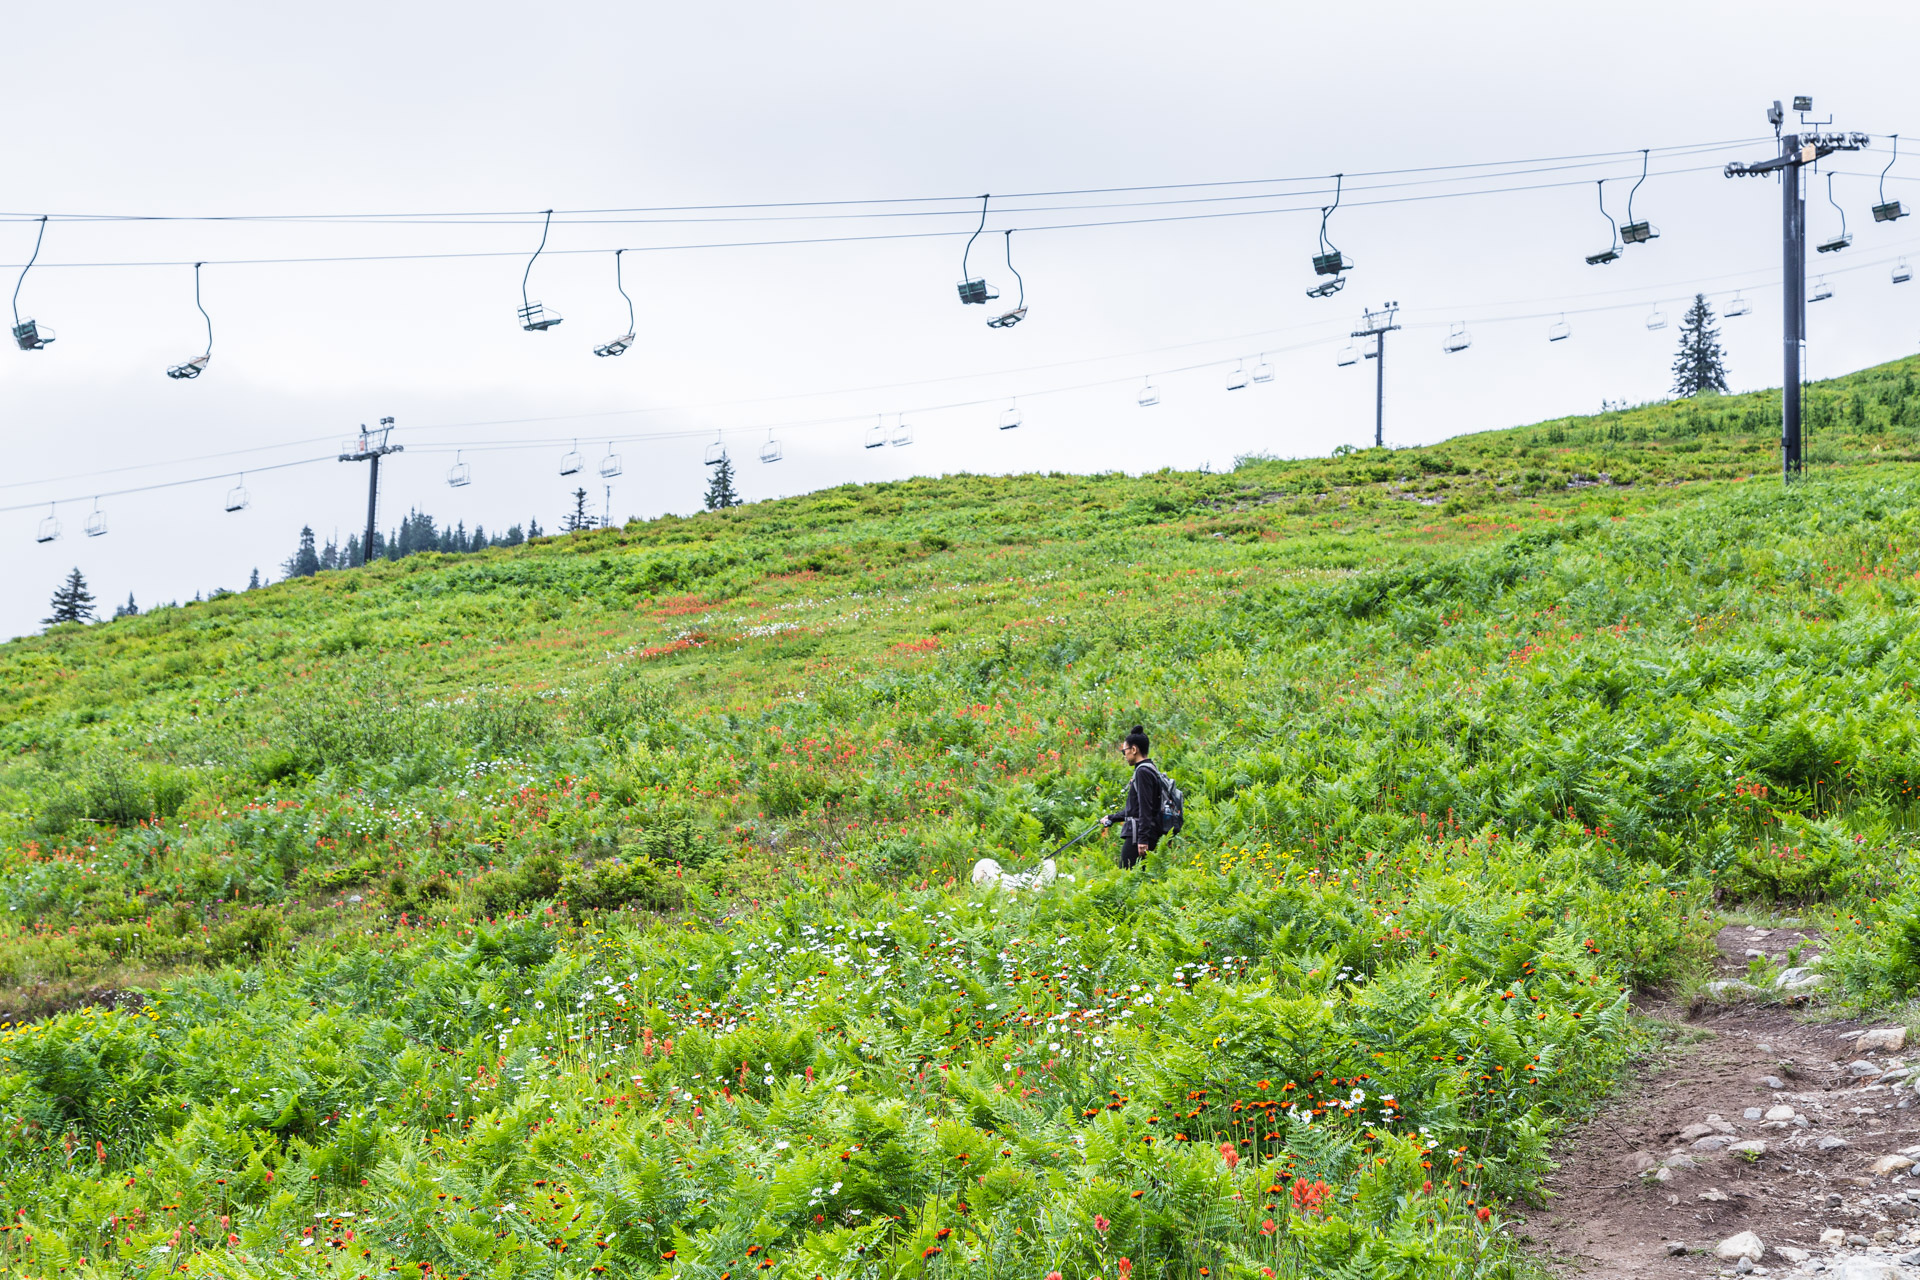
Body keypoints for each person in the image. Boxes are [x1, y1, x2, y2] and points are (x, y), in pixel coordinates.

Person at [1101, 725, 1164, 868]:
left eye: (1124, 751)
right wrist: (1112, 817)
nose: (1124, 755)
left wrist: (1143, 839)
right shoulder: (1150, 768)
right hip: (1144, 832)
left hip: (1138, 836)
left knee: (1126, 876)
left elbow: (1145, 808)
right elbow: (1135, 808)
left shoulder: (1143, 772)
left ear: (1134, 750)